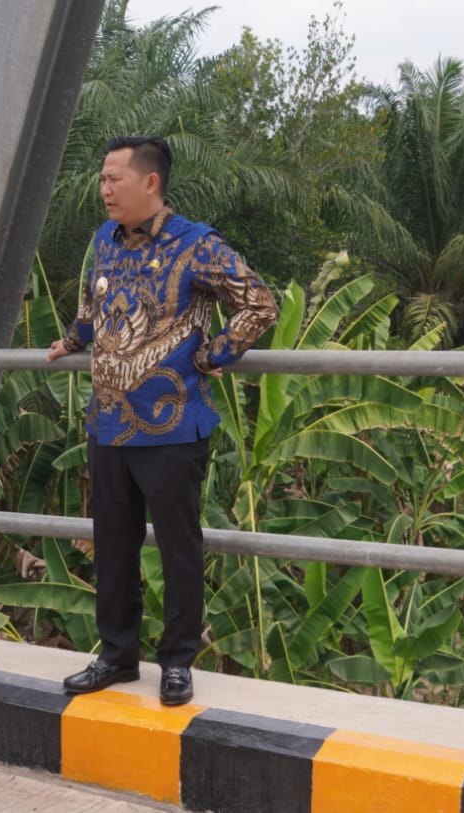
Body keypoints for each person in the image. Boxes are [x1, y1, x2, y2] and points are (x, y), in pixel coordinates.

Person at [49, 136, 276, 707]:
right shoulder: (104, 238)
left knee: (178, 549)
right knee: (113, 545)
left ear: (150, 182)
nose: (103, 189)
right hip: (107, 424)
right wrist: (75, 337)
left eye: (112, 179)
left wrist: (213, 355)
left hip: (172, 428)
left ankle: (176, 661)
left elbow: (259, 303)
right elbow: (93, 300)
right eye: (101, 179)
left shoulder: (197, 245)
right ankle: (117, 655)